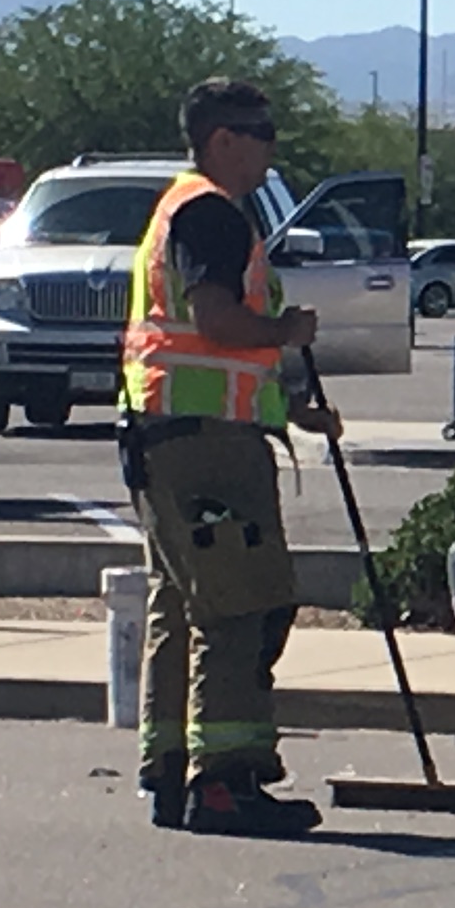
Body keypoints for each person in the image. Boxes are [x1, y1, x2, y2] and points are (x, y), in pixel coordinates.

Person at [119, 79, 335, 837]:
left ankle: (170, 772)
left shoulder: (180, 209)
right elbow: (216, 322)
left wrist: (293, 407)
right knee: (240, 604)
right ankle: (227, 780)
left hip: (169, 437)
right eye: (260, 132)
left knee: (181, 607)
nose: (271, 147)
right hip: (205, 449)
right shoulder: (209, 212)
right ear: (221, 140)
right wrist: (286, 331)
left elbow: (204, 352)